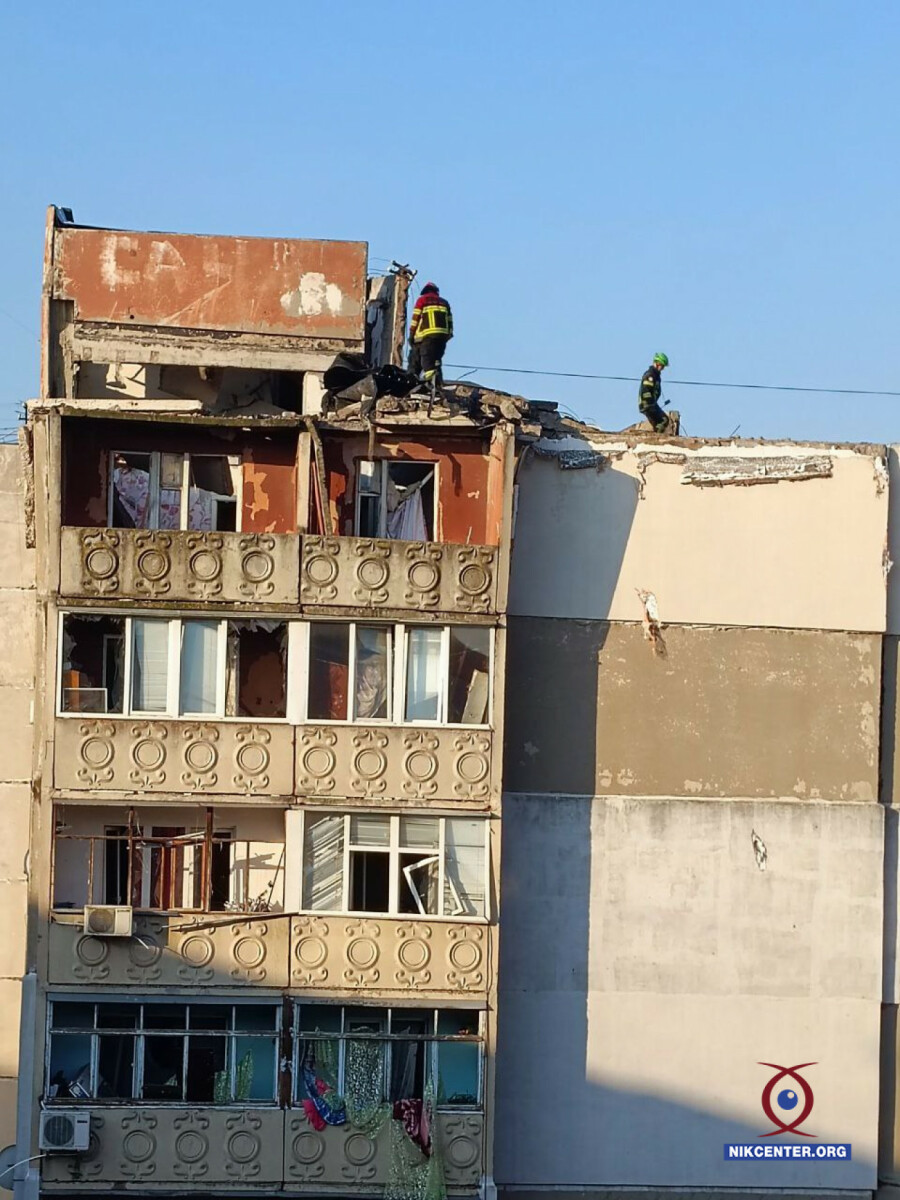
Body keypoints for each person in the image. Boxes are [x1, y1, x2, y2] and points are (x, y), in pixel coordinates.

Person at [408, 282, 453, 389]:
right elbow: (450, 320)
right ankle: (437, 383)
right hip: (442, 337)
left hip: (425, 336)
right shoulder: (444, 302)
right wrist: (449, 334)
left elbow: (415, 319)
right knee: (436, 360)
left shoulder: (422, 300)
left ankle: (422, 382)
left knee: (425, 360)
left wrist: (411, 334)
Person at [638, 352, 670, 432]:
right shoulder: (650, 375)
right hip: (647, 404)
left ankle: (657, 433)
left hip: (650, 404)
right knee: (664, 420)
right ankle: (658, 437)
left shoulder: (656, 376)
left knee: (657, 423)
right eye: (662, 366)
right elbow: (645, 391)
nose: (662, 368)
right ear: (657, 363)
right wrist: (651, 404)